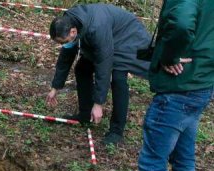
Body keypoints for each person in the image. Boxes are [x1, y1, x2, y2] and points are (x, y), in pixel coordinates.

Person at [121, 0, 213, 171]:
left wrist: (170, 56)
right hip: (201, 83)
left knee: (152, 164)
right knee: (184, 161)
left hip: (178, 88)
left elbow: (182, 22)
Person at [45, 4, 151, 145]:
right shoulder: (70, 20)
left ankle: (116, 131)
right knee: (82, 69)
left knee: (118, 78)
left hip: (127, 37)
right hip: (106, 35)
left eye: (64, 42)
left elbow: (103, 64)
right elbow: (66, 55)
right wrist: (55, 87)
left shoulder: (96, 28)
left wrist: (98, 103)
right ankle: (85, 114)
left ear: (73, 32)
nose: (63, 45)